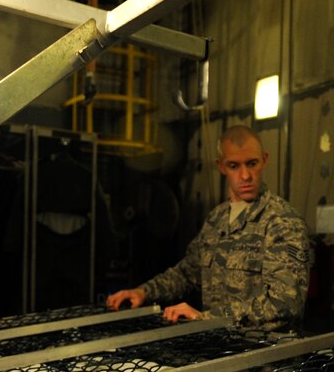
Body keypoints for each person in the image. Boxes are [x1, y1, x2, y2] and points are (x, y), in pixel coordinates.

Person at [106, 125, 310, 331]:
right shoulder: (216, 219)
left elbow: (286, 304)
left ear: (264, 160)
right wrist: (143, 292)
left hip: (266, 356)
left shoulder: (282, 222)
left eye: (252, 163)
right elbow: (187, 273)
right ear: (221, 167)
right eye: (234, 166)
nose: (246, 175)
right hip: (220, 350)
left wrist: (207, 317)